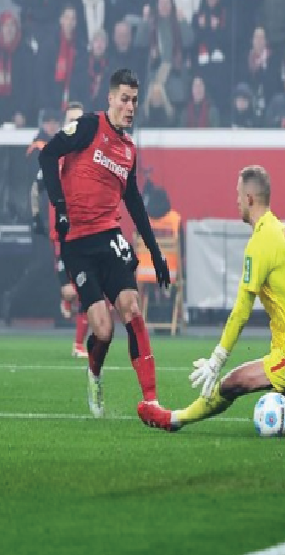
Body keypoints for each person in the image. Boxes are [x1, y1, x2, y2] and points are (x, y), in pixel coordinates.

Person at [138, 165, 285, 434]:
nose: (236, 200)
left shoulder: (262, 242)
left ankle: (173, 420)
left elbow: (241, 309)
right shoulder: (283, 231)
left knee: (233, 383)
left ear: (250, 198)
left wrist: (217, 359)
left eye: (239, 195)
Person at [38, 68, 171, 418]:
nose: (130, 107)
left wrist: (155, 255)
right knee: (104, 329)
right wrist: (61, 208)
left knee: (131, 308)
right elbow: (48, 155)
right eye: (124, 99)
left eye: (135, 101)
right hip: (78, 243)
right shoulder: (87, 127)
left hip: (110, 237)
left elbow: (134, 203)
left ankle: (152, 400)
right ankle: (94, 374)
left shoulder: (128, 150)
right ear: (110, 98)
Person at [33, 101, 90, 357]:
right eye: (71, 120)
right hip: (63, 235)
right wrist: (36, 216)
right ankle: (66, 297)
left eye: (79, 120)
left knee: (90, 289)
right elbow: (36, 187)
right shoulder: (54, 155)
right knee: (73, 289)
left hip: (89, 231)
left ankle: (79, 344)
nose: (75, 125)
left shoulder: (93, 155)